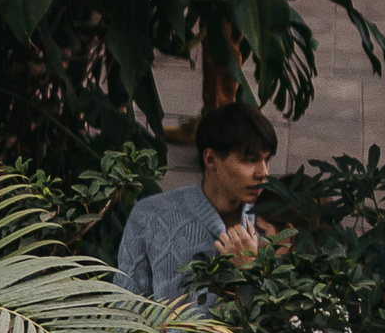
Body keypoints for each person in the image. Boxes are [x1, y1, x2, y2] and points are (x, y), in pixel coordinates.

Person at [112, 99, 280, 306]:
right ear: (210, 159)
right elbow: (125, 309)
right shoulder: (150, 216)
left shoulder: (274, 224)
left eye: (267, 160)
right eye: (251, 160)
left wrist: (248, 270)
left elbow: (282, 321)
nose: (264, 173)